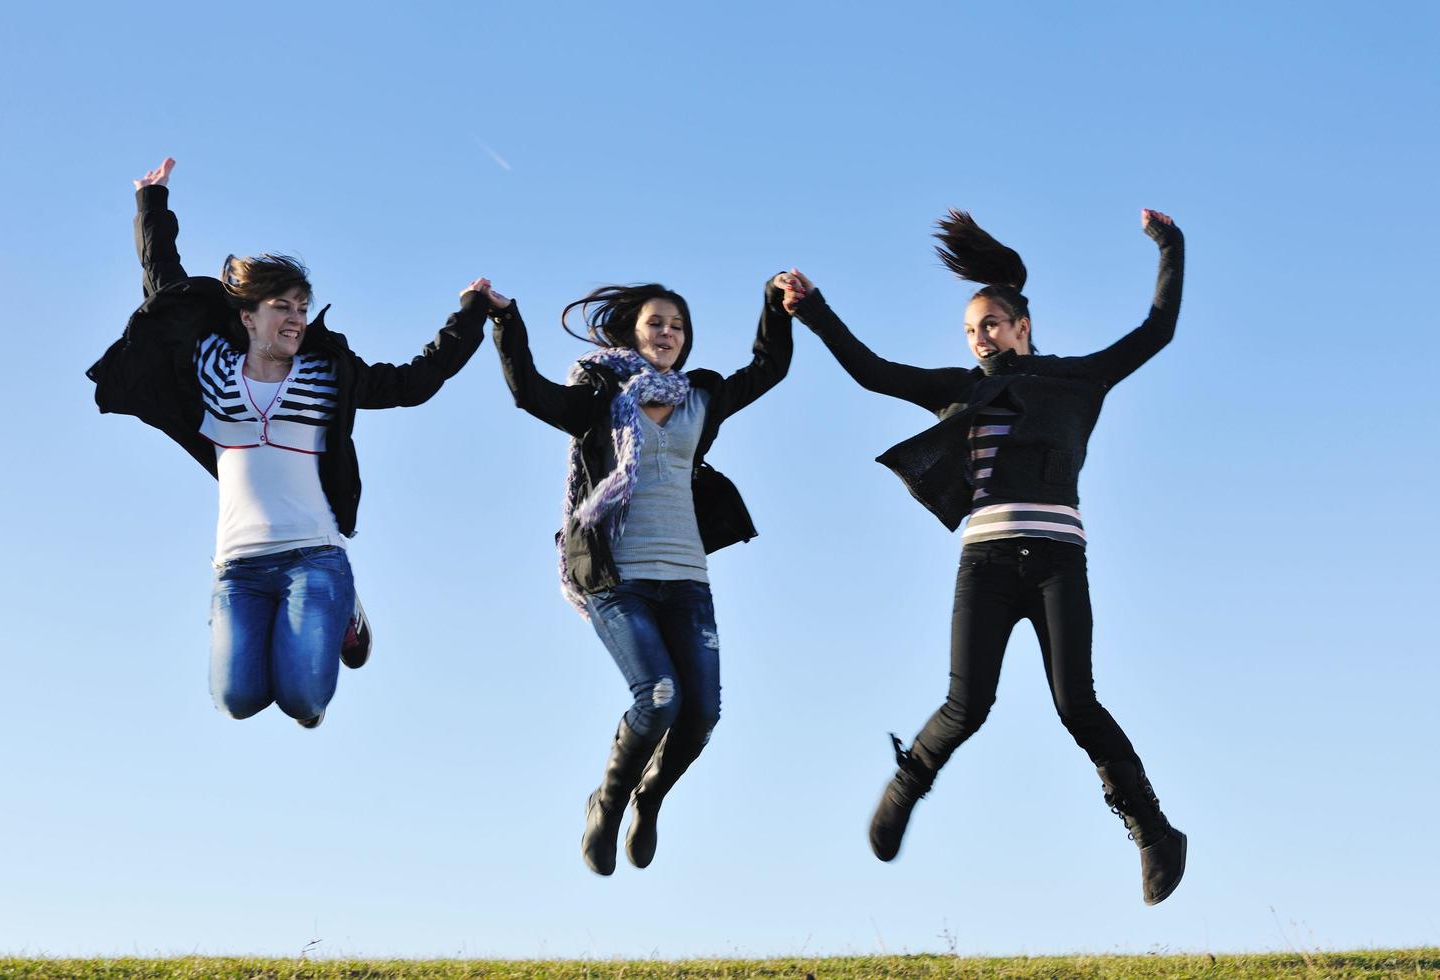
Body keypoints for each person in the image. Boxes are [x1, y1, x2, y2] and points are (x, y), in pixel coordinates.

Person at [787, 208, 1187, 905]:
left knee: (1077, 705)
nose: (980, 339)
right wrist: (814, 310)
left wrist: (1169, 245)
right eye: (970, 331)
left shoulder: (1079, 378)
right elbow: (872, 372)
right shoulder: (958, 388)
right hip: (987, 565)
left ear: (1022, 327)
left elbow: (1157, 331)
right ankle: (905, 788)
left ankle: (1154, 833)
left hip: (1059, 561)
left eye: (991, 326)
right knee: (966, 704)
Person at [87, 157, 488, 728]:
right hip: (238, 566)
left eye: (302, 307)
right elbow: (166, 293)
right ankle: (284, 633)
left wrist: (469, 315)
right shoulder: (211, 366)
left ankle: (344, 609)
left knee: (304, 701)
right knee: (238, 701)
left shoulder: (328, 373)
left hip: (315, 555)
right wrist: (152, 204)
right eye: (283, 308)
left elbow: (413, 382)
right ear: (248, 316)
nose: (296, 319)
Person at [482, 274, 795, 874]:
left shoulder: (700, 397)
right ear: (633, 329)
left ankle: (648, 799)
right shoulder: (599, 395)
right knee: (658, 697)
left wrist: (772, 302)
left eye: (678, 326)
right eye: (658, 323)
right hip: (615, 576)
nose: (669, 334)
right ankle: (608, 801)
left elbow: (769, 365)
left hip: (687, 579)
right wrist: (505, 321)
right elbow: (529, 393)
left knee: (702, 714)